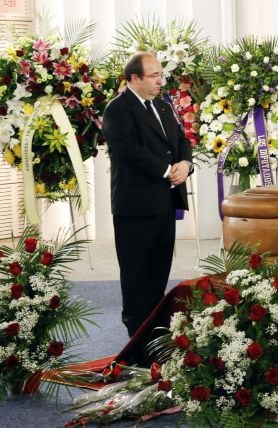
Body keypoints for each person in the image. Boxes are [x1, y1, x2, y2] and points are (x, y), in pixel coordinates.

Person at [102, 52, 194, 337]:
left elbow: (180, 140)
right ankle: (137, 342)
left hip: (164, 203)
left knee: (158, 274)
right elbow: (127, 150)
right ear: (134, 78)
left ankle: (156, 336)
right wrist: (167, 170)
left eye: (161, 76)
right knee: (136, 278)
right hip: (135, 207)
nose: (160, 82)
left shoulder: (163, 107)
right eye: (154, 76)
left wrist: (185, 164)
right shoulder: (117, 109)